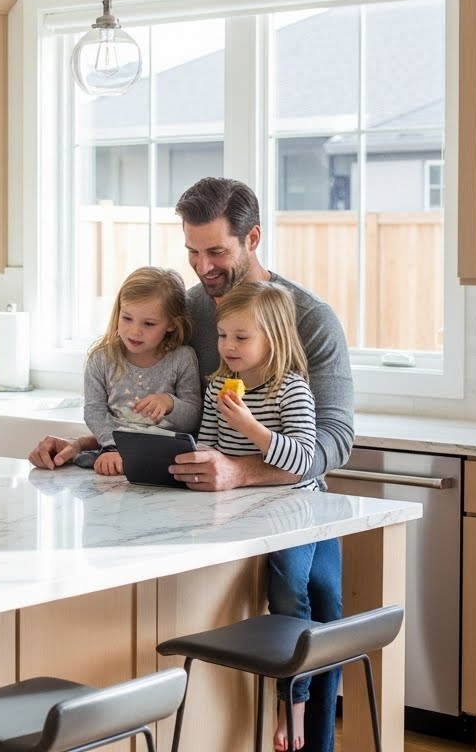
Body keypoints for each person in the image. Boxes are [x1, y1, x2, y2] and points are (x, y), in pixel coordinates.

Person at [201, 281, 335, 752]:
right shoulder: (219, 385)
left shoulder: (291, 390)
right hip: (243, 507)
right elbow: (209, 444)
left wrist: (250, 426)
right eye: (222, 336)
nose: (228, 347)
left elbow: (303, 459)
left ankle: (292, 704)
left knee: (287, 583)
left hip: (295, 507)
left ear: (273, 339)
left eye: (241, 337)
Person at [169, 176, 355, 492]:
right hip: (209, 502)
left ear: (252, 238)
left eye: (216, 251)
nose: (202, 267)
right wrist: (89, 445)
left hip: (291, 505)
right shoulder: (185, 310)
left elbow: (335, 439)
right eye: (192, 252)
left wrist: (239, 472)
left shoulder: (310, 317)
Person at [28, 266, 201, 474]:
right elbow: (94, 412)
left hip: (165, 456)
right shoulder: (101, 359)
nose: (135, 331)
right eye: (127, 318)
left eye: (148, 324)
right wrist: (112, 446)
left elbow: (193, 417)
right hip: (112, 449)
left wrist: (169, 403)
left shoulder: (181, 359)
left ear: (171, 325)